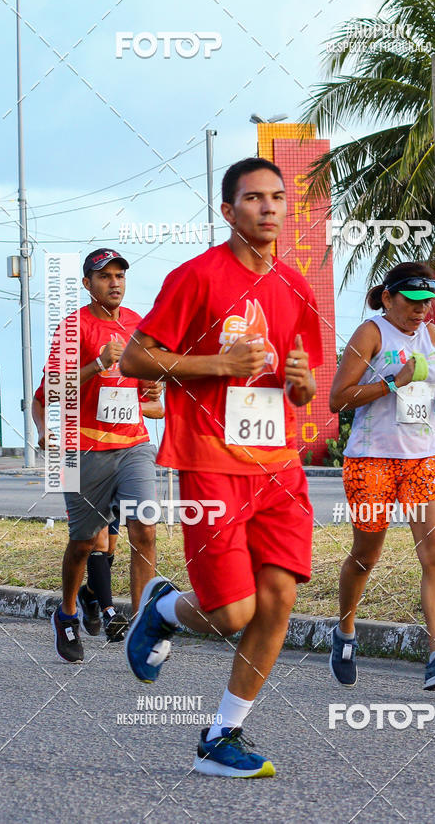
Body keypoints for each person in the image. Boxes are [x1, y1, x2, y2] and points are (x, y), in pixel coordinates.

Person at [119, 158, 323, 778]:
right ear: (228, 211)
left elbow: (304, 385)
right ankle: (161, 609)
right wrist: (219, 365)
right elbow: (135, 359)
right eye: (253, 198)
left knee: (279, 599)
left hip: (279, 466)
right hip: (210, 463)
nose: (268, 208)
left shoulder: (296, 287)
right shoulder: (197, 278)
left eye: (277, 197)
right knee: (233, 613)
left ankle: (221, 736)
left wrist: (302, 385)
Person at [328, 261, 435, 691]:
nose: (421, 310)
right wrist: (392, 381)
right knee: (366, 556)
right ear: (388, 298)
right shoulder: (370, 333)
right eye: (411, 302)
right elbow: (338, 398)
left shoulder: (431, 335)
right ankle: (345, 631)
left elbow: (429, 387)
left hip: (424, 457)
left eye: (427, 302)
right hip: (372, 459)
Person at [32, 248, 164, 663]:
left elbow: (151, 401)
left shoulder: (138, 325)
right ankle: (68, 611)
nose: (114, 283)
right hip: (83, 448)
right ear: (87, 283)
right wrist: (96, 363)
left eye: (120, 275)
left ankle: (143, 626)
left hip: (134, 445)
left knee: (145, 529)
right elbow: (51, 391)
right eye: (104, 276)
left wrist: (153, 390)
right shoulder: (73, 327)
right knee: (84, 544)